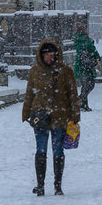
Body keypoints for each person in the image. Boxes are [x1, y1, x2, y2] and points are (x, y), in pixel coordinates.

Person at [22, 39, 79, 196]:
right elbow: (29, 93)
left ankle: (57, 185)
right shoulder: (35, 71)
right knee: (40, 150)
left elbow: (72, 94)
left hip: (60, 116)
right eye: (46, 54)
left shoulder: (65, 71)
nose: (49, 57)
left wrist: (75, 114)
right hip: (40, 116)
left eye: (51, 54)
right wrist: (26, 112)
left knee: (57, 150)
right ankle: (40, 185)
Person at [72, 21, 100, 112]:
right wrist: (97, 56)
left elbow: (80, 49)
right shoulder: (85, 39)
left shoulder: (76, 39)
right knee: (89, 85)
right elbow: (92, 49)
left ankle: (82, 102)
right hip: (87, 65)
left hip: (81, 65)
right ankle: (82, 103)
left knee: (85, 85)